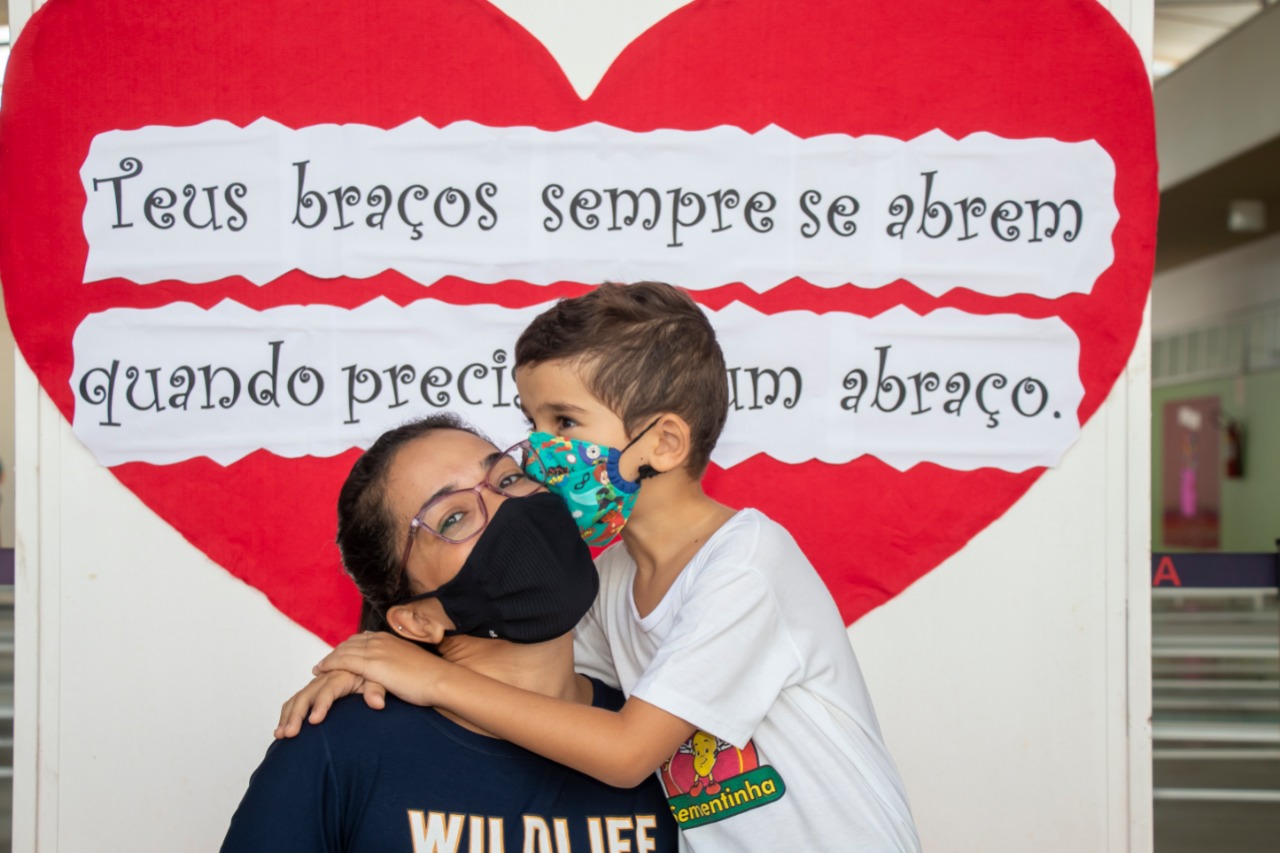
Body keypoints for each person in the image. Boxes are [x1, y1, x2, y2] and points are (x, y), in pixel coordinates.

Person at [282, 283, 921, 851]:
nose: (535, 450)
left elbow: (625, 754)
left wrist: (428, 679)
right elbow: (526, 672)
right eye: (529, 421)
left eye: (563, 420)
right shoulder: (612, 577)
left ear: (664, 444)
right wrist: (372, 662)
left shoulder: (746, 563)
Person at [225, 414, 677, 852]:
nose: (509, 507)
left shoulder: (659, 734)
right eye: (453, 519)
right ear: (418, 620)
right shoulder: (340, 746)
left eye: (506, 479)